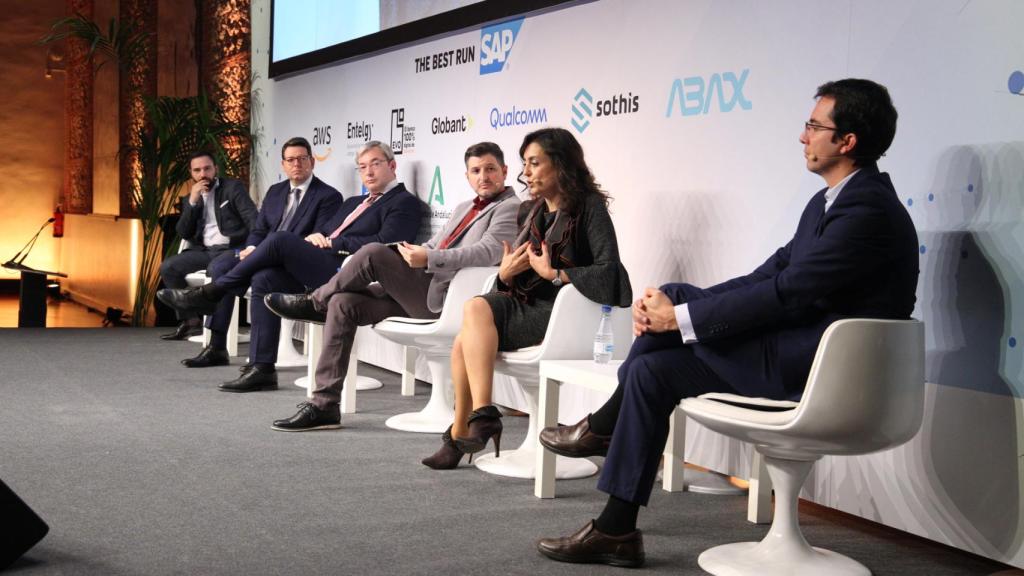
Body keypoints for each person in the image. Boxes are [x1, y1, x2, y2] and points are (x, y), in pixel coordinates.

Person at [535, 79, 919, 568]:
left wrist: (679, 317)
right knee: (651, 370)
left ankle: (604, 427)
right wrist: (675, 313)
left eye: (814, 126)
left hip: (824, 370)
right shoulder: (830, 202)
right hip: (795, 349)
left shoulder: (867, 211)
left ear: (847, 142)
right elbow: (768, 274)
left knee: (669, 317)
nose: (803, 137)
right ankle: (615, 529)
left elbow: (788, 292)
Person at [265, 142, 522, 431]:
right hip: (423, 290)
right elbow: (434, 245)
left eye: (490, 169)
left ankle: (315, 302)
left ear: (505, 171)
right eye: (476, 170)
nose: (483, 177)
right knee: (343, 304)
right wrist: (415, 252)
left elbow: (489, 252)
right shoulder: (465, 207)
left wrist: (429, 257)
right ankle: (325, 405)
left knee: (373, 252)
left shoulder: (511, 208)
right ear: (467, 176)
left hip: (450, 302)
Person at [421, 127, 632, 470]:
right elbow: (514, 271)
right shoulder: (531, 211)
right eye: (524, 164)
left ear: (561, 165)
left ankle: (466, 430)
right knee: (472, 315)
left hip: (563, 315)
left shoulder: (589, 208)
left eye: (534, 163)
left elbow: (610, 271)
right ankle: (477, 419)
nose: (526, 173)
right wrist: (504, 273)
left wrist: (556, 274)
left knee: (467, 331)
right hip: (526, 304)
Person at [158, 140, 422, 392]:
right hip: (322, 263)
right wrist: (319, 238)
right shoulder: (354, 202)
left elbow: (384, 244)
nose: (368, 171)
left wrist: (332, 242)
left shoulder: (404, 202)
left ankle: (212, 293)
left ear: (392, 165)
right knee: (264, 278)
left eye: (375, 164)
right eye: (362, 166)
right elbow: (326, 230)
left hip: (349, 273)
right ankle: (262, 369)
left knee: (280, 239)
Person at [158, 151, 257, 340]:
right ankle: (191, 321)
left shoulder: (232, 188)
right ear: (191, 173)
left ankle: (216, 330)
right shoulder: (190, 198)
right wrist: (193, 202)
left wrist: (252, 246)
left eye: (207, 168)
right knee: (169, 267)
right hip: (205, 251)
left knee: (215, 269)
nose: (203, 174)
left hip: (232, 249)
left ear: (215, 169)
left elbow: (253, 219)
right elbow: (183, 232)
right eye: (197, 170)